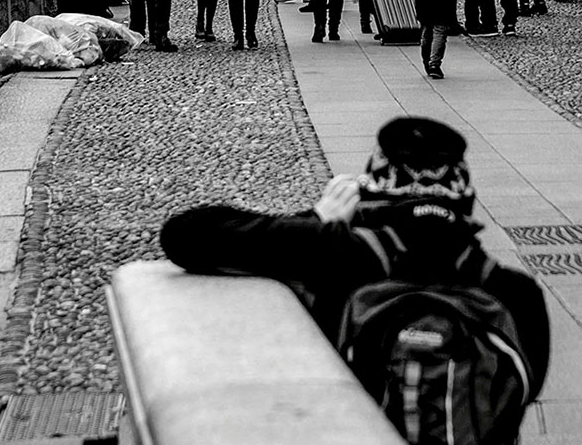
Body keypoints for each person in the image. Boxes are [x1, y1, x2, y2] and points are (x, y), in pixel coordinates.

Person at [160, 117, 550, 445]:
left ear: (369, 194)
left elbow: (185, 235)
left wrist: (317, 218)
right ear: (465, 202)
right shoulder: (514, 292)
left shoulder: (336, 255)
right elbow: (519, 397)